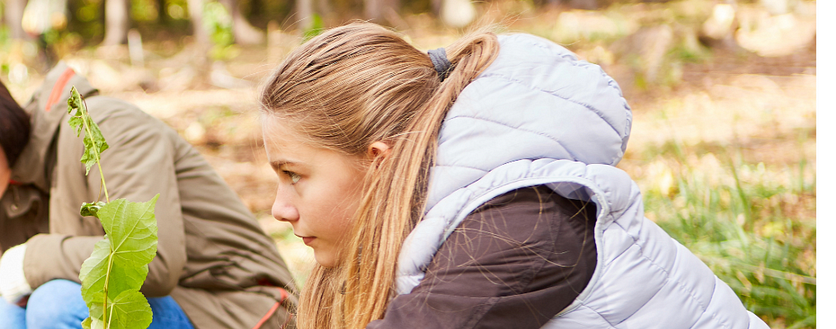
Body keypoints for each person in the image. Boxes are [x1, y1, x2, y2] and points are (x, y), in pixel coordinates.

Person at [259, 22, 770, 329]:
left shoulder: (521, 225)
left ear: (379, 160)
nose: (280, 208)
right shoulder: (439, 222)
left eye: (293, 175)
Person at [0, 55, 296, 329]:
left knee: (57, 304)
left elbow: (147, 263)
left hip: (241, 310)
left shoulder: (103, 127)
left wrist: (33, 257)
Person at [21, 0, 66, 70]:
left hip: (53, 20)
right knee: (42, 45)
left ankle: (57, 66)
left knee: (54, 45)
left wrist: (58, 15)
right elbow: (33, 1)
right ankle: (47, 66)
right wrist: (28, 17)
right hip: (40, 21)